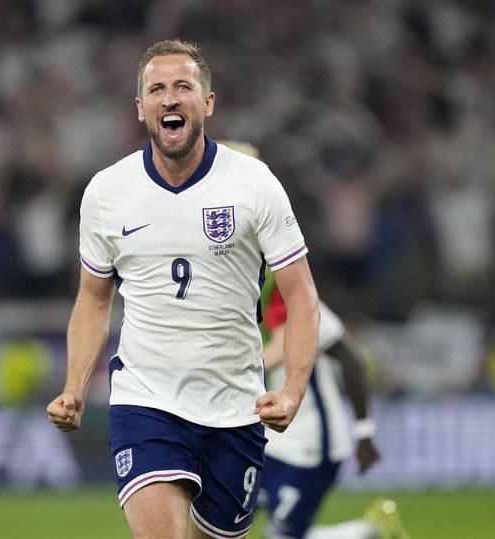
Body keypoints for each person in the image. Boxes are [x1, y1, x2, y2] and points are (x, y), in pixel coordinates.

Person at [46, 39, 320, 539]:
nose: (169, 98)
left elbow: (301, 295)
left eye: (182, 87)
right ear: (140, 108)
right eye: (156, 89)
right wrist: (75, 387)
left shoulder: (253, 184)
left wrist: (292, 391)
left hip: (235, 406)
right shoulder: (107, 192)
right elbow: (94, 297)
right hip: (146, 400)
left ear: (207, 102)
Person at [258, 278, 409, 539]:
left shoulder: (302, 306)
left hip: (311, 449)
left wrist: (364, 432)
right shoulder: (248, 307)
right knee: (229, 516)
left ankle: (369, 532)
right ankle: (369, 531)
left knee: (281, 536)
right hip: (270, 442)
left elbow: (351, 359)